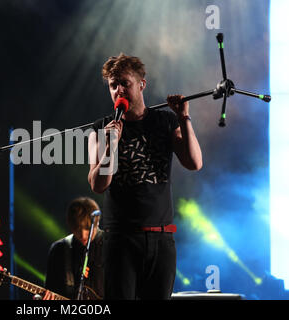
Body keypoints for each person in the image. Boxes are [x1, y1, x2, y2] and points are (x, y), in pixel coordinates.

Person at [87, 53, 202, 300]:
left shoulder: (165, 120)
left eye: (124, 83)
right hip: (121, 240)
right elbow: (98, 184)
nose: (118, 90)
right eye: (113, 85)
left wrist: (183, 117)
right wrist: (111, 146)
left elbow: (194, 163)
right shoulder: (100, 130)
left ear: (142, 84)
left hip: (161, 238)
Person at [42, 197, 104, 300]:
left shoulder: (111, 246)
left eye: (88, 229)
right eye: (77, 229)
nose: (83, 235)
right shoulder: (59, 249)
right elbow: (51, 290)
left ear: (97, 223)